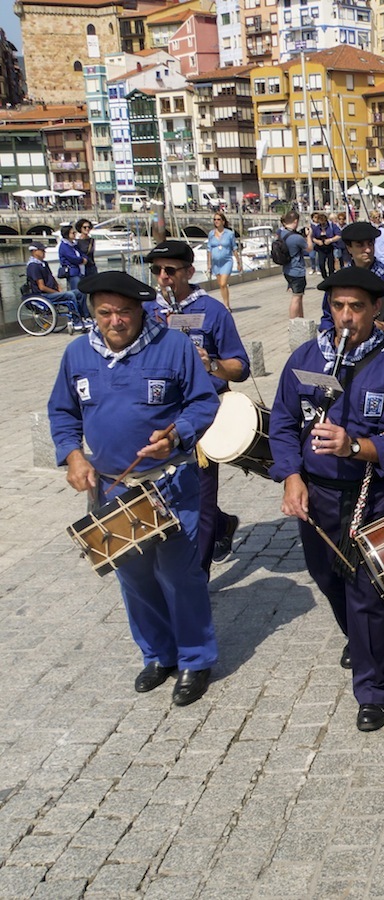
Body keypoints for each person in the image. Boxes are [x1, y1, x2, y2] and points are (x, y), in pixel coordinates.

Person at [47, 271, 220, 705]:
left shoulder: (173, 346)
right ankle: (158, 654)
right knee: (134, 577)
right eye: (105, 312)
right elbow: (62, 413)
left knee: (181, 577)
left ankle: (195, 660)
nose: (116, 320)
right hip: (112, 489)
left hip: (169, 482)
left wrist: (177, 432)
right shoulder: (76, 355)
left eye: (125, 311)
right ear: (93, 313)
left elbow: (204, 402)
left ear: (140, 310)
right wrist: (73, 455)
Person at [269, 266, 384, 732]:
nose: (346, 316)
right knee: (326, 577)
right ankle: (358, 638)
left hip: (370, 496)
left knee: (368, 593)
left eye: (357, 307)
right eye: (338, 306)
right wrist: (291, 478)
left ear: (377, 309)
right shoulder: (306, 356)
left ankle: (372, 687)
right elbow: (281, 422)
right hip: (317, 496)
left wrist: (354, 446)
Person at [144, 240, 250, 572]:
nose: (163, 277)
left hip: (200, 416)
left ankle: (197, 578)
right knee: (161, 494)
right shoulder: (144, 310)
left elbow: (241, 367)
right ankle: (221, 525)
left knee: (201, 498)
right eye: (157, 270)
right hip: (157, 416)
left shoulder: (213, 311)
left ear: (190, 271)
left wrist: (211, 364)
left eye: (170, 270)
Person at [279, 211, 309, 319]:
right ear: (296, 221)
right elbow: (309, 248)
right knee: (296, 297)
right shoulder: (297, 238)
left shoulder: (281, 233)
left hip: (287, 270)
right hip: (297, 270)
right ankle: (293, 322)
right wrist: (309, 236)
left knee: (299, 296)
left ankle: (301, 319)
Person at [207, 212, 237, 309]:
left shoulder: (229, 234)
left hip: (226, 261)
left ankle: (226, 305)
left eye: (218, 219)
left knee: (223, 283)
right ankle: (226, 303)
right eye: (215, 219)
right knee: (221, 285)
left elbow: (234, 248)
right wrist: (209, 264)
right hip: (216, 263)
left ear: (223, 221)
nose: (216, 221)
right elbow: (209, 249)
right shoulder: (211, 234)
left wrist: (238, 261)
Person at [57, 225, 87, 295]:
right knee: (77, 293)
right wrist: (82, 260)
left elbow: (82, 253)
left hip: (80, 272)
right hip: (73, 273)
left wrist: (85, 258)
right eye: (72, 233)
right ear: (67, 234)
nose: (75, 234)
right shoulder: (64, 246)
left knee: (83, 293)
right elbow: (73, 258)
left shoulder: (74, 244)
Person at [310, 212, 341, 280]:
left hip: (330, 247)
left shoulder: (332, 226)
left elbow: (339, 235)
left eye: (323, 223)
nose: (322, 225)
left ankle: (331, 278)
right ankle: (325, 277)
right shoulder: (316, 228)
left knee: (331, 265)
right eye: (320, 223)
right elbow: (312, 237)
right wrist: (317, 241)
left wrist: (330, 240)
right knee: (321, 264)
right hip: (321, 248)